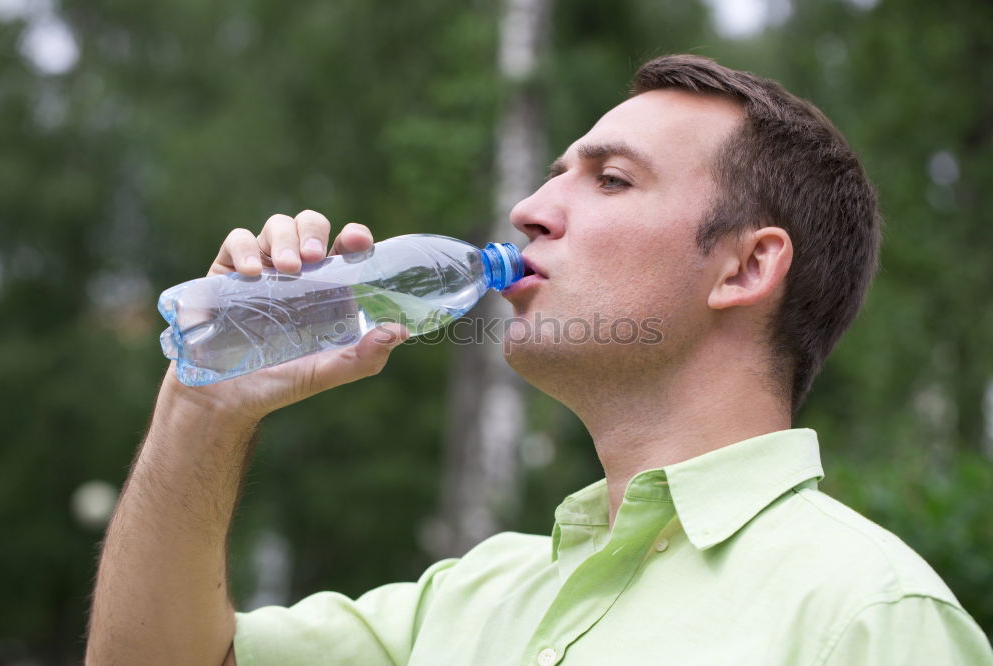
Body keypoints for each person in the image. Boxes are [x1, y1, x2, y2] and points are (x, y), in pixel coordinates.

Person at [86, 54, 993, 665]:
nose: (529, 207)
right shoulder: (468, 601)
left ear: (747, 266)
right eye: (552, 173)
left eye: (610, 179)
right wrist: (203, 411)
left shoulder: (867, 617)